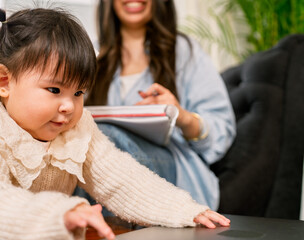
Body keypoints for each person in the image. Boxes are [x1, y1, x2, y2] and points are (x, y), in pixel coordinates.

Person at [0, 7, 230, 240]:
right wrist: (59, 215)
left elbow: (122, 179)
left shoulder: (75, 129)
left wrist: (184, 210)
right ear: (3, 81)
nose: (69, 106)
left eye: (79, 93)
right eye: (54, 90)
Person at [83, 0, 236, 211]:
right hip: (98, 158)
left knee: (109, 139)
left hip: (171, 166)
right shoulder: (91, 54)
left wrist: (181, 115)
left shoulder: (185, 52)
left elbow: (221, 131)